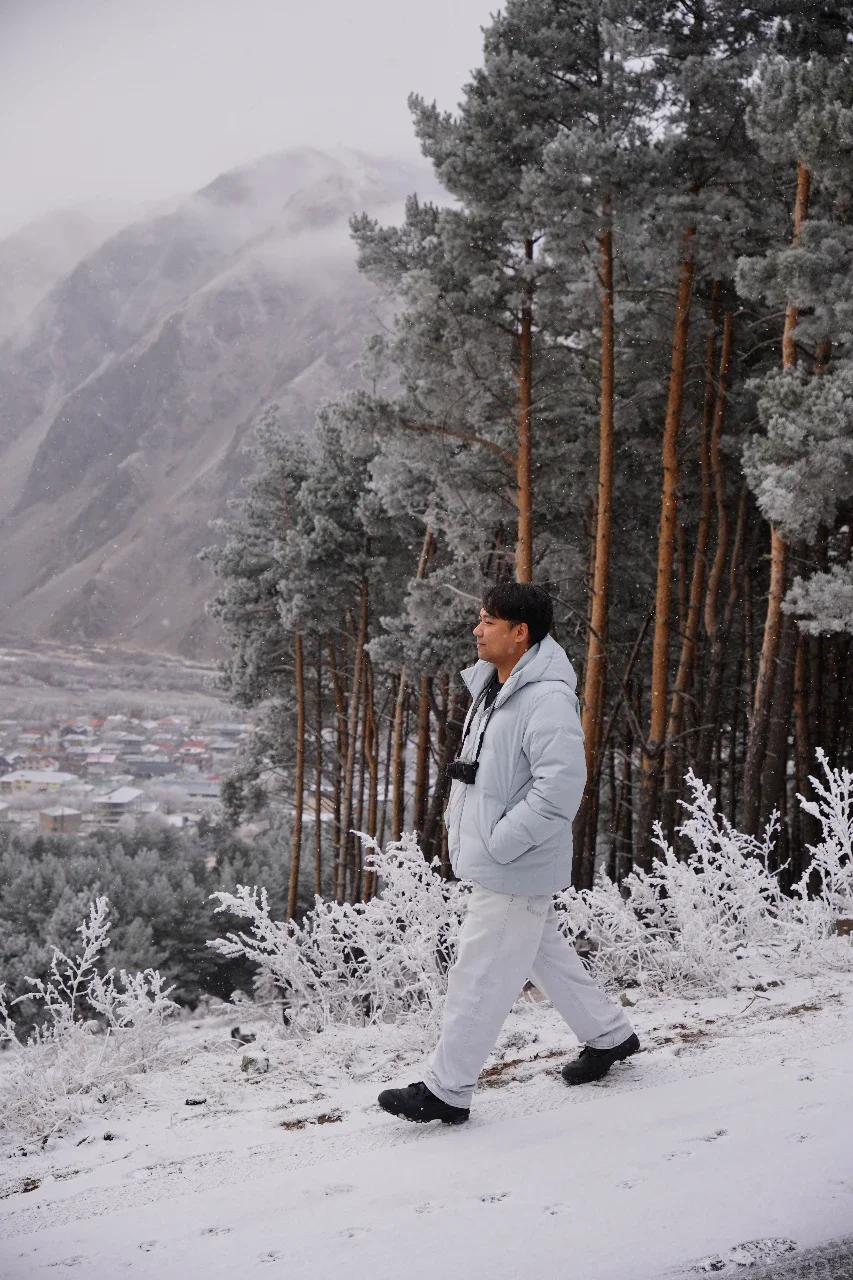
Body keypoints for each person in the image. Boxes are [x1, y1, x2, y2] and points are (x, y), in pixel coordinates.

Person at [378, 582, 639, 1125]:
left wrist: (501, 840)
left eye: (489, 622)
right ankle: (609, 1036)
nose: (477, 630)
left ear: (520, 633)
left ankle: (447, 1090)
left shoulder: (546, 698)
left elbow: (560, 787)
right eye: (479, 618)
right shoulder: (495, 687)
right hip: (503, 859)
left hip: (514, 863)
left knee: (479, 973)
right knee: (544, 953)